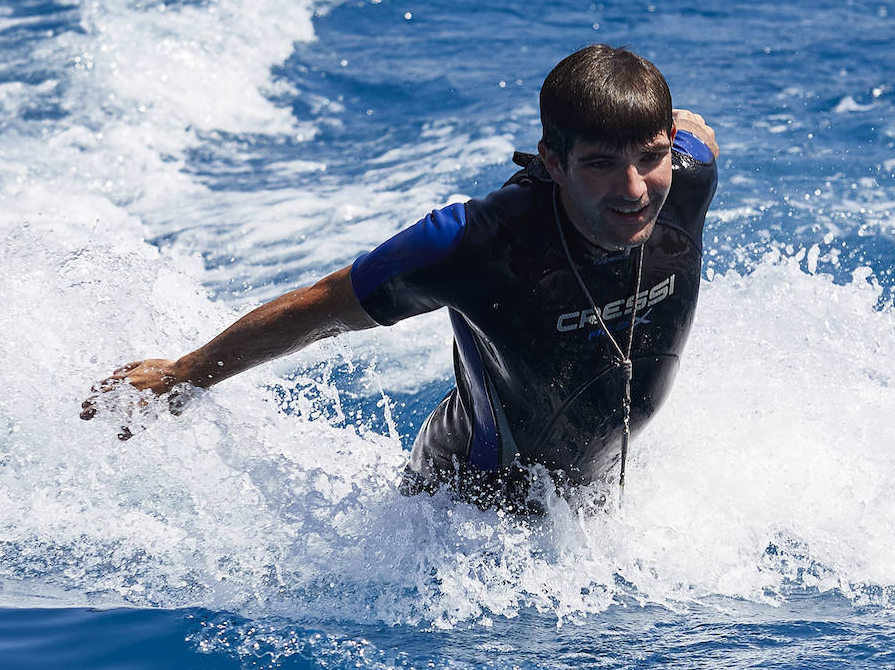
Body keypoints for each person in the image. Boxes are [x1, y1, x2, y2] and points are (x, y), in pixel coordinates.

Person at [81, 44, 718, 511]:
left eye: (650, 156)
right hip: (466, 505)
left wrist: (661, 127)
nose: (633, 191)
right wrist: (183, 376)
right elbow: (322, 305)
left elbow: (696, 133)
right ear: (551, 162)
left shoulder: (686, 181)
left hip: (593, 491)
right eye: (602, 164)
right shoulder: (475, 244)